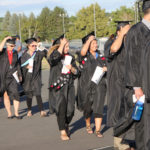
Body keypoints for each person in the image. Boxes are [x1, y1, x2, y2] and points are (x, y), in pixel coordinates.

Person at [104, 21, 135, 150]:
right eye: (126, 30)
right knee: (118, 112)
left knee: (132, 111)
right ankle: (120, 143)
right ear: (119, 31)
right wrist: (122, 34)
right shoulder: (111, 43)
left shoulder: (131, 44)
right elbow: (113, 50)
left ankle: (130, 139)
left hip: (131, 84)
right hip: (116, 84)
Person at [125, 0, 150, 149]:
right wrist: (136, 87)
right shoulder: (136, 30)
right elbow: (130, 60)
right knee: (144, 129)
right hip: (143, 89)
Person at [48, 34, 78, 141]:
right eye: (66, 46)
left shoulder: (70, 57)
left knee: (70, 110)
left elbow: (77, 72)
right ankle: (62, 132)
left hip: (69, 86)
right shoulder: (53, 56)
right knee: (61, 109)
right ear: (59, 46)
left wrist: (73, 69)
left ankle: (65, 124)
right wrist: (62, 44)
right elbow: (53, 59)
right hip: (58, 88)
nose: (67, 48)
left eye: (68, 46)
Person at [77, 32, 107, 138]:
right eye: (93, 43)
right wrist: (89, 39)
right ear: (88, 44)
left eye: (96, 43)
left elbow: (107, 65)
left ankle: (98, 130)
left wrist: (106, 68)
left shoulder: (101, 56)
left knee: (99, 107)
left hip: (99, 85)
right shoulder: (83, 56)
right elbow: (82, 52)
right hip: (86, 86)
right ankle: (88, 124)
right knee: (88, 108)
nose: (96, 45)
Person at [20, 38, 48, 117]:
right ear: (28, 46)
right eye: (33, 45)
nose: (34, 47)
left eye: (35, 46)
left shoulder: (38, 53)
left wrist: (40, 46)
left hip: (36, 76)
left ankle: (42, 111)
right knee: (29, 94)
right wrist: (26, 66)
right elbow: (20, 65)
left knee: (38, 93)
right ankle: (29, 110)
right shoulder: (24, 55)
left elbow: (46, 54)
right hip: (27, 77)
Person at [0, 36, 22, 119]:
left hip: (13, 76)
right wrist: (4, 39)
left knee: (16, 94)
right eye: (11, 46)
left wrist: (19, 75)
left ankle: (16, 113)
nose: (13, 47)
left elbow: (17, 65)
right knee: (6, 95)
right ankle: (9, 113)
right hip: (4, 76)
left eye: (14, 46)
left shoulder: (15, 53)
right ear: (7, 45)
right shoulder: (3, 52)